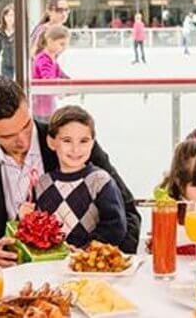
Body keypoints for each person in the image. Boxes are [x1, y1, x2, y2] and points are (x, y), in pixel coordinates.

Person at [0, 76, 141, 267]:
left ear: (28, 106)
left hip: (82, 275)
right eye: (8, 136)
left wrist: (105, 264)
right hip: (7, 280)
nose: (23, 141)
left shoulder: (70, 142)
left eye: (26, 126)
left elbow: (129, 213)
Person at [21, 106, 127, 248]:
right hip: (51, 265)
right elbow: (34, 231)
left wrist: (85, 251)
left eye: (83, 141)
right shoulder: (42, 183)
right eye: (67, 140)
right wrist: (22, 218)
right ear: (51, 142)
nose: (75, 149)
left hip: (88, 266)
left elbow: (115, 227)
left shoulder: (100, 181)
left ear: (92, 143)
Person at [32, 25, 71, 124]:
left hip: (48, 104)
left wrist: (69, 81)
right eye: (61, 44)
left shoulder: (51, 58)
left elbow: (59, 72)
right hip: (41, 107)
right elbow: (48, 79)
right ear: (50, 41)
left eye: (66, 45)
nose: (64, 48)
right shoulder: (43, 59)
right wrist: (61, 90)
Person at [0, 4, 15, 79]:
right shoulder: (0, 31)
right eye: (7, 15)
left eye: (12, 15)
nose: (9, 18)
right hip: (5, 64)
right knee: (7, 84)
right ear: (3, 17)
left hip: (18, 64)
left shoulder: (19, 30)